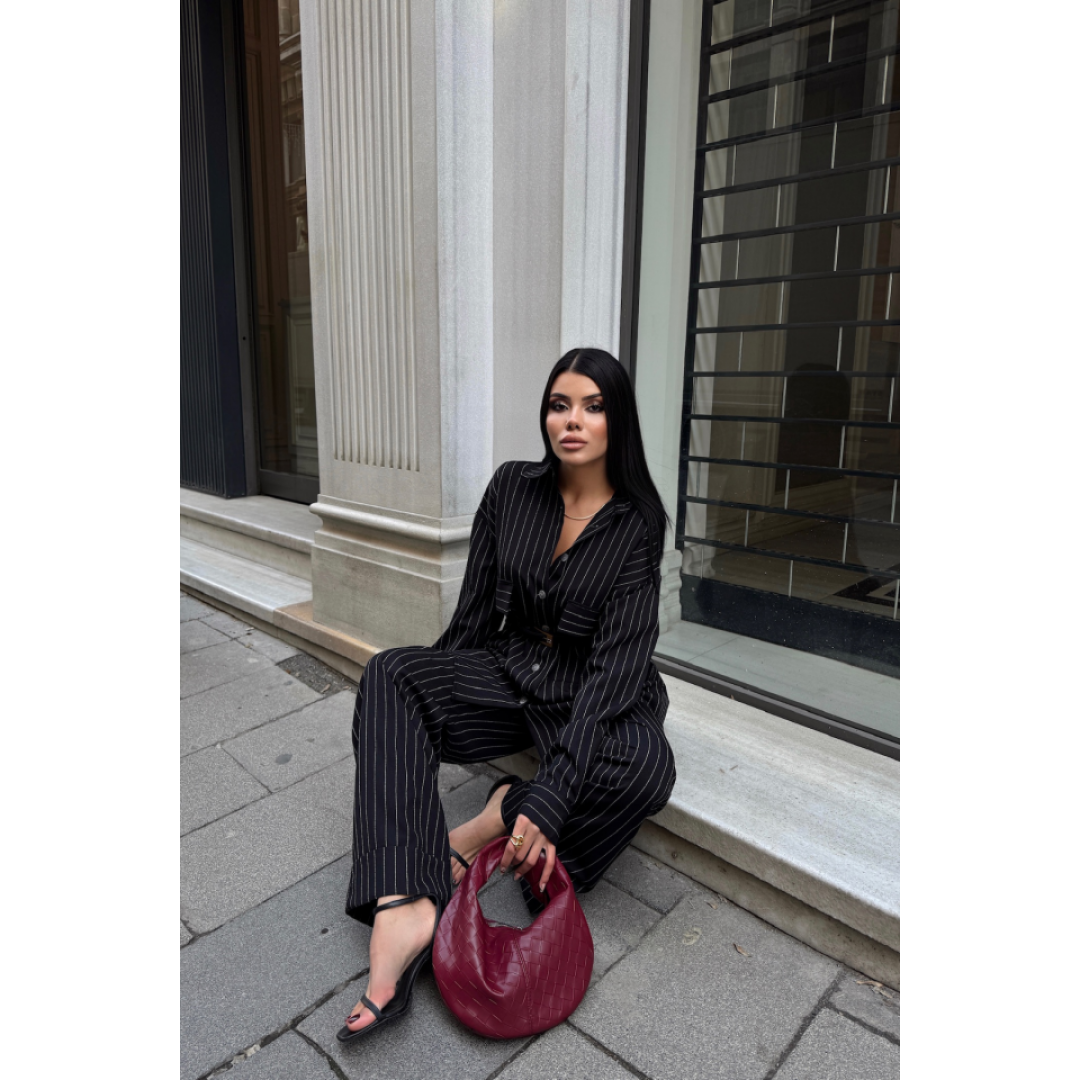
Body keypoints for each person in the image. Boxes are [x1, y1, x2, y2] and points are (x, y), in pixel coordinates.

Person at [338, 347, 677, 1041]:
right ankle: (404, 902)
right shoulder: (511, 488)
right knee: (391, 674)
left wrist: (549, 795)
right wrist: (430, 701)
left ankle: (498, 818)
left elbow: (615, 670)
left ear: (618, 420)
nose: (572, 421)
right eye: (559, 405)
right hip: (514, 668)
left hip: (597, 687)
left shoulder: (638, 523)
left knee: (647, 769)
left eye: (593, 406)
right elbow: (471, 617)